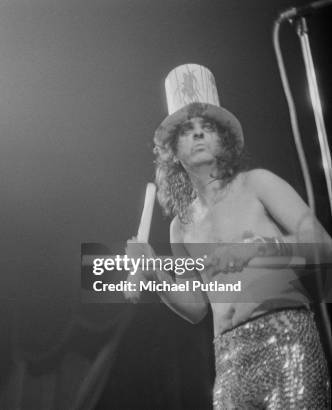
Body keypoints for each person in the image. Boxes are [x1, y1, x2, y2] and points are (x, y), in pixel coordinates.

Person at [128, 64, 332, 408]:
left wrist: (259, 251)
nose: (197, 135)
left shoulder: (257, 183)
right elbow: (196, 308)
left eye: (207, 127)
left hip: (285, 338)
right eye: (186, 130)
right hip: (230, 358)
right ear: (172, 151)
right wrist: (156, 275)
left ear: (223, 139)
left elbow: (324, 248)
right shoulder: (181, 226)